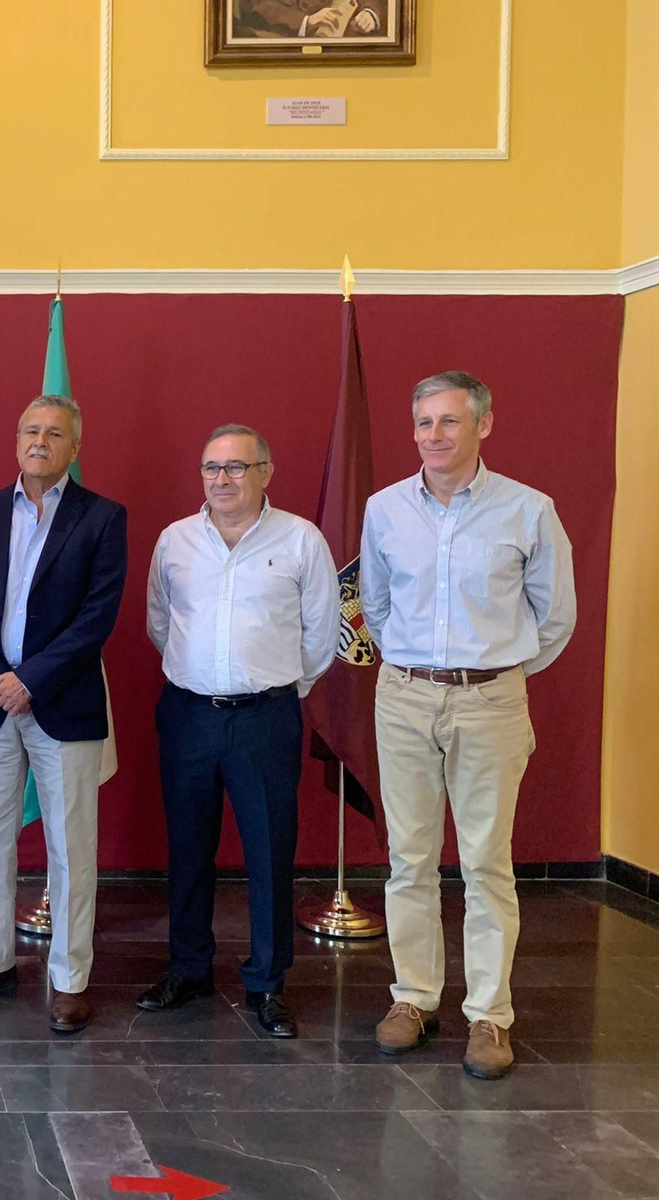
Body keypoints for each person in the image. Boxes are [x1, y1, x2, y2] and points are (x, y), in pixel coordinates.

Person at [360, 371, 575, 1080]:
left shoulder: (529, 510)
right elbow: (379, 607)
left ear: (484, 424)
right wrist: (418, 668)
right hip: (405, 698)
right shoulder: (386, 509)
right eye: (423, 422)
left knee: (486, 862)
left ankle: (489, 1015)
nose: (434, 436)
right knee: (410, 860)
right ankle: (414, 999)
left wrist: (494, 670)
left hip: (490, 702)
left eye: (449, 421)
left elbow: (555, 616)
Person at [137, 425, 337, 1038]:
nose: (222, 480)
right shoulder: (174, 541)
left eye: (236, 468)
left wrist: (273, 689)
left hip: (265, 718)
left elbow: (322, 636)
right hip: (189, 715)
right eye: (211, 468)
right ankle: (190, 968)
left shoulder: (302, 541)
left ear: (266, 472)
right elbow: (158, 622)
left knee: (270, 851)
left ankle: (268, 983)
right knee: (188, 848)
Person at [0, 395, 127, 1035]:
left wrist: (32, 681)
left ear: (75, 446)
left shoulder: (103, 518)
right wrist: (1, 679)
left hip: (64, 705)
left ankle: (69, 978)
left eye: (54, 433)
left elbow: (97, 617)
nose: (40, 441)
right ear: (15, 439)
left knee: (71, 846)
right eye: (30, 430)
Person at [235, 0, 384, 38]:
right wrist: (307, 21)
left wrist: (370, 13)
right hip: (279, 46)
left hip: (337, 50)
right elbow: (256, 7)